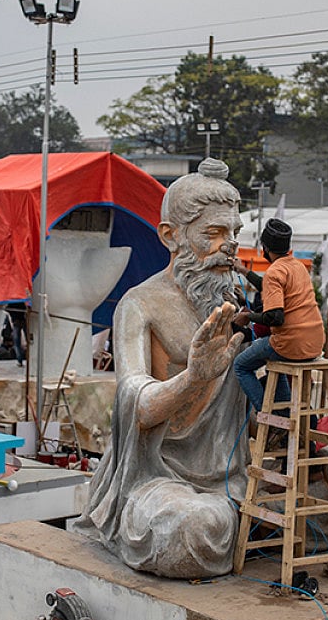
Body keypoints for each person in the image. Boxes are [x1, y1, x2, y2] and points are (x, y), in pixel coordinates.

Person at [71, 159, 248, 579]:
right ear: (171, 236)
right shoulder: (139, 304)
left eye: (235, 233)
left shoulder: (234, 303)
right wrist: (194, 377)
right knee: (192, 527)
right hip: (159, 478)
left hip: (229, 473)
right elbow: (138, 404)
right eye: (214, 233)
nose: (230, 245)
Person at [232, 218, 325, 414]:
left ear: (265, 248)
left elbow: (275, 318)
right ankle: (283, 416)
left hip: (292, 344)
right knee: (272, 362)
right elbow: (268, 285)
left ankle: (268, 416)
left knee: (241, 365)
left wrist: (248, 317)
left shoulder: (274, 271)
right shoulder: (297, 266)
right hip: (315, 342)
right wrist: (242, 270)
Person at [5, 301, 28, 367]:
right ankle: (27, 358)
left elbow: (7, 309)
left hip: (16, 322)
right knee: (28, 341)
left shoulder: (12, 301)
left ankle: (19, 360)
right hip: (22, 321)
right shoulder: (21, 300)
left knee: (17, 343)